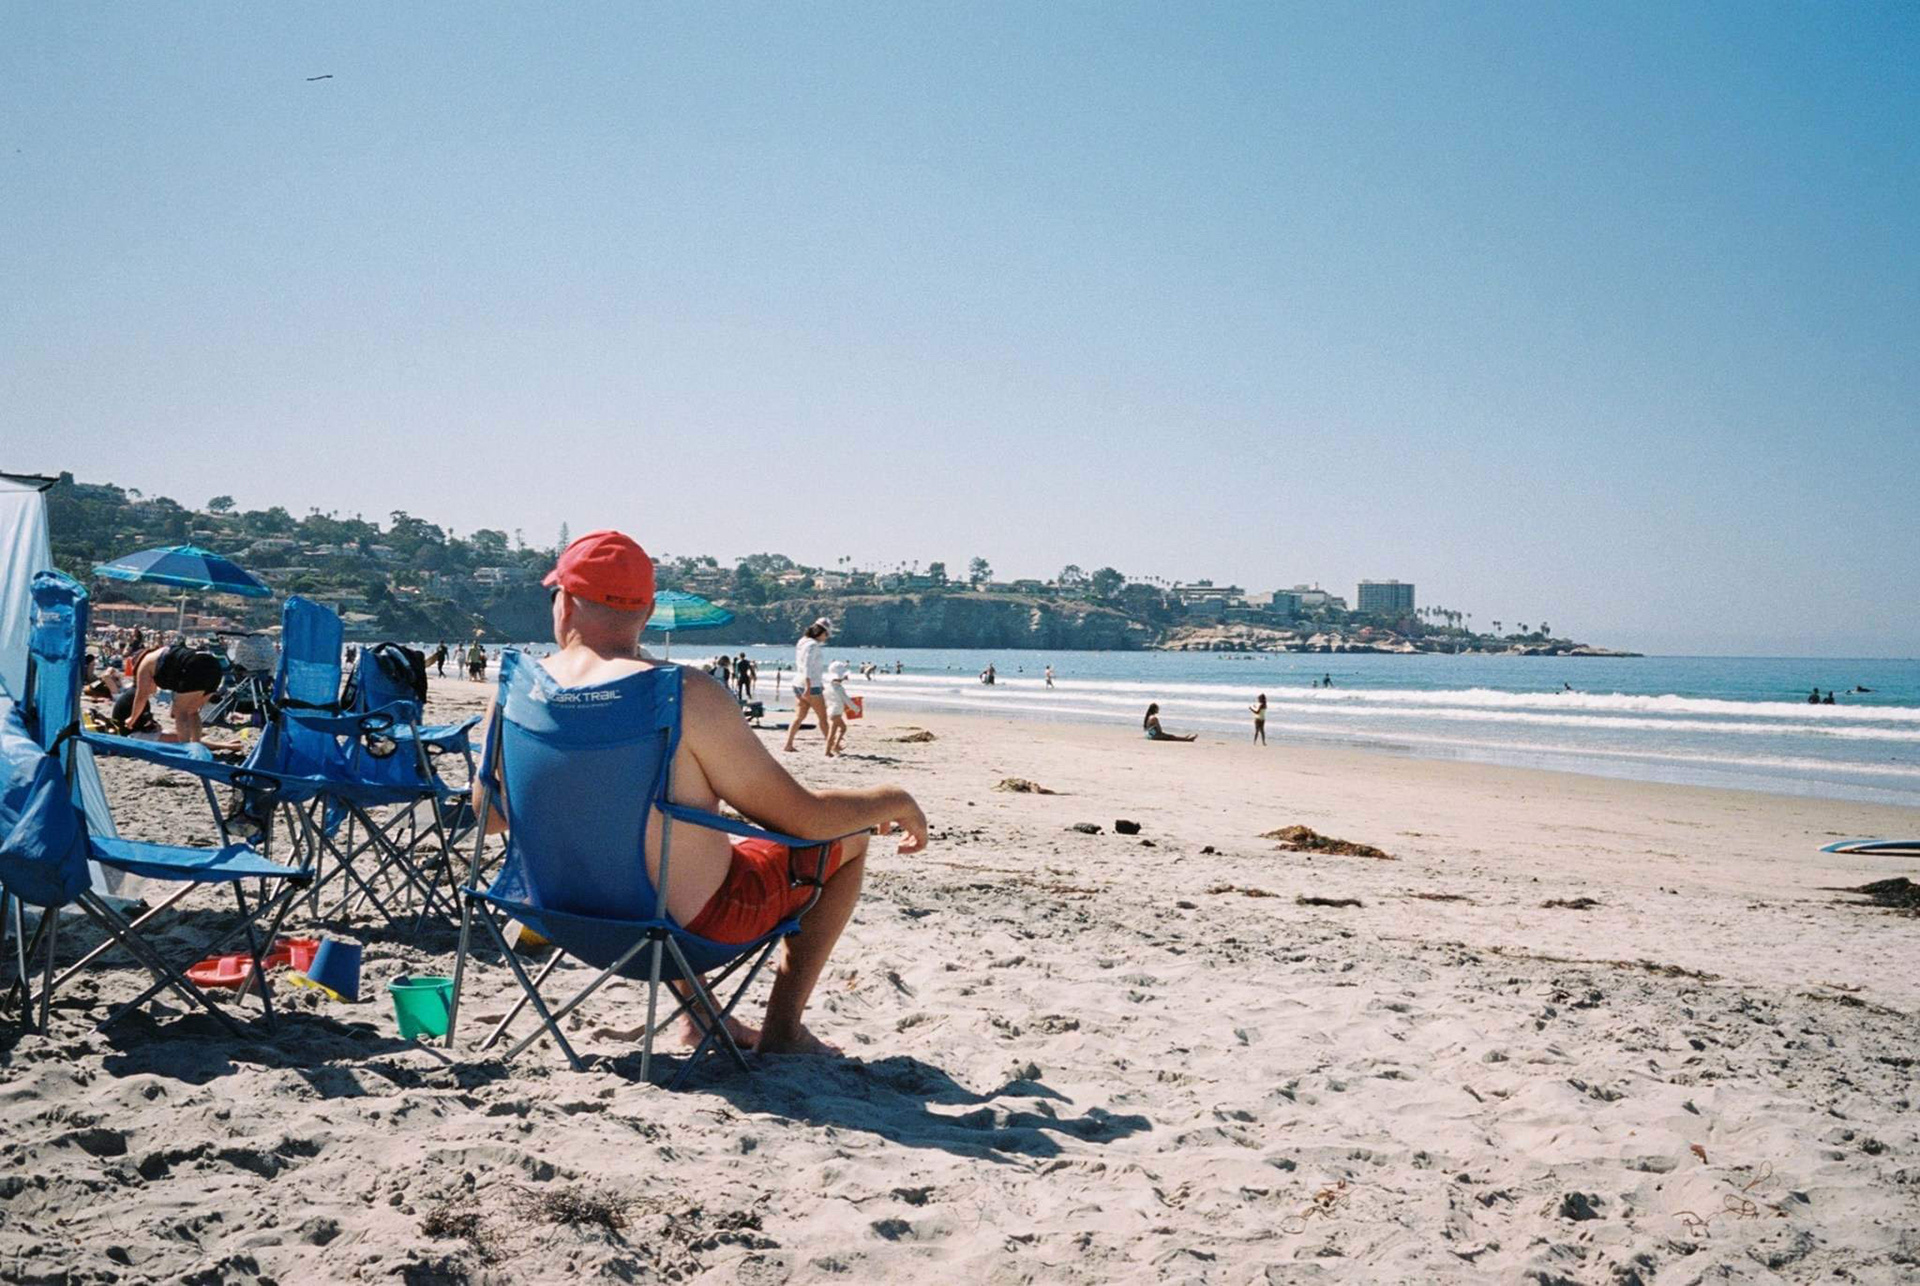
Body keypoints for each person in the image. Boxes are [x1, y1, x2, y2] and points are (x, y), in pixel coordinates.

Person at [476, 531, 926, 1056]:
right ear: (644, 611)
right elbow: (802, 820)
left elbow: (489, 818)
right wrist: (892, 798)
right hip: (676, 930)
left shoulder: (512, 690)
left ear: (567, 603)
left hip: (561, 916)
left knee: (669, 844)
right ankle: (782, 1031)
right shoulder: (682, 695)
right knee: (848, 837)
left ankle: (700, 1019)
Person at [118, 639, 224, 742]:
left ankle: (185, 748)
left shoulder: (144, 663)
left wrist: (132, 718)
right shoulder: (160, 656)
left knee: (181, 712)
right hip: (214, 666)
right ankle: (196, 745)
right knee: (192, 711)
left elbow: (141, 695)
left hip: (194, 666)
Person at [782, 618, 833, 754]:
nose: (827, 637)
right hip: (809, 685)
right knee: (823, 718)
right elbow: (808, 666)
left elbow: (805, 665)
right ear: (820, 632)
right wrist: (809, 687)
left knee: (799, 716)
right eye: (826, 634)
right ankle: (832, 746)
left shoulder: (802, 641)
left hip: (797, 683)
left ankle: (788, 744)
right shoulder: (812, 646)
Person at [824, 660, 856, 757]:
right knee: (835, 731)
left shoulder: (828, 687)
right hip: (836, 712)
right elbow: (846, 700)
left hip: (830, 711)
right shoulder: (839, 688)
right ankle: (829, 750)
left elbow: (826, 698)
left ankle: (834, 746)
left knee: (840, 729)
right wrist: (856, 708)